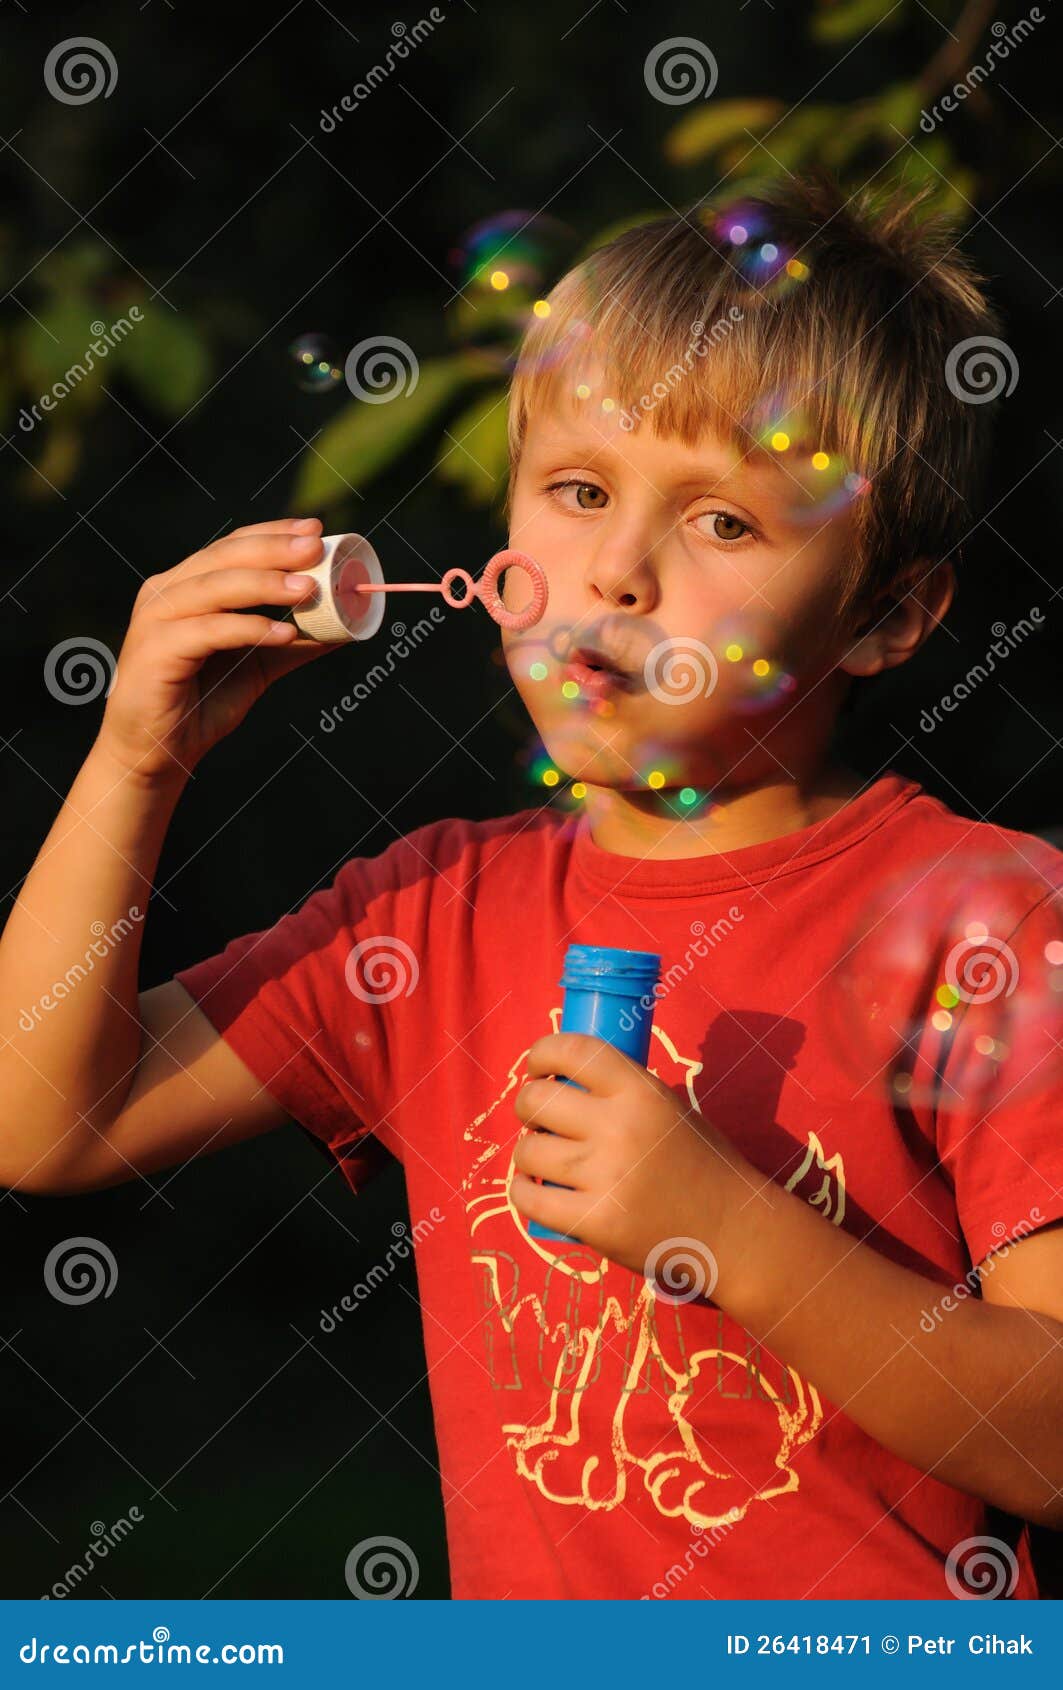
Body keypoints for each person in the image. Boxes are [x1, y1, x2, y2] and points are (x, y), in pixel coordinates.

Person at [3, 172, 1062, 1601]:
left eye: (725, 524)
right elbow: (46, 1119)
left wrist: (724, 1229)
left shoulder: (987, 918)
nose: (616, 571)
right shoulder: (426, 921)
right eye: (577, 491)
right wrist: (137, 759)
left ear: (889, 613)